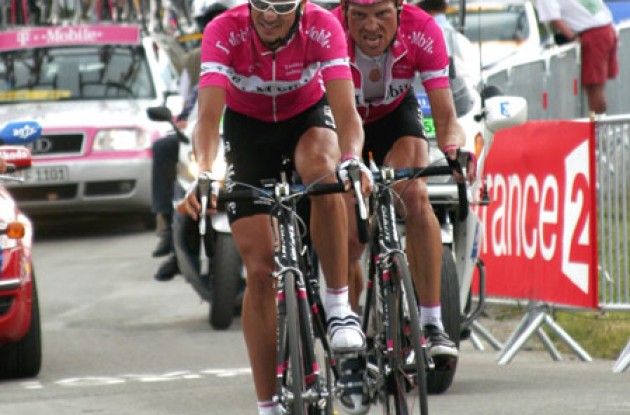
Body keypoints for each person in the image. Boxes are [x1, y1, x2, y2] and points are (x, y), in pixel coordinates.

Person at [178, 2, 371, 414]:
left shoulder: (322, 26)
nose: (269, 15)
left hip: (307, 120)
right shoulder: (223, 30)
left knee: (323, 171)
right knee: (261, 269)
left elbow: (345, 111)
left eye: (282, 7)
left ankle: (338, 308)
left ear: (301, 5)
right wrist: (207, 173)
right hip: (247, 134)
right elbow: (209, 119)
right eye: (260, 4)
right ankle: (268, 404)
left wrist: (352, 158)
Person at [331, 1, 474, 413]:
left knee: (414, 193)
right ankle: (350, 327)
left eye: (380, 13)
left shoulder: (423, 29)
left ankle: (431, 323)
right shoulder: (330, 33)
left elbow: (446, 116)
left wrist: (454, 149)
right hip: (341, 121)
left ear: (399, 8)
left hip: (395, 117)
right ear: (344, 13)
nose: (370, 26)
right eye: (359, 15)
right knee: (350, 228)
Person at [151, 0, 234, 281]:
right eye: (212, 26)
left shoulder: (253, 55)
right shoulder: (195, 60)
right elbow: (186, 102)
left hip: (238, 138)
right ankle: (169, 234)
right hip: (201, 137)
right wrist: (182, 122)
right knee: (166, 151)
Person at [536, 0, 618, 115]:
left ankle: (598, 126)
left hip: (593, 34)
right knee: (598, 87)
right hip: (606, 28)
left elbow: (554, 18)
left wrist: (573, 38)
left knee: (594, 87)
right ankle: (598, 124)